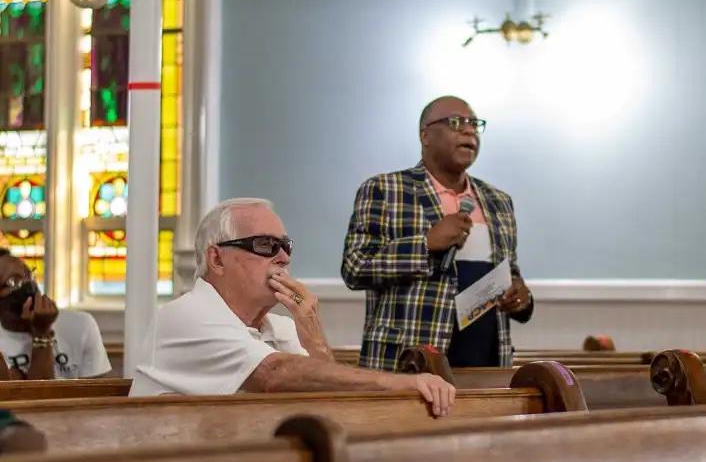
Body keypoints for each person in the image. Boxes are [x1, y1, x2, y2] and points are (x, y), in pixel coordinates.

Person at [129, 198, 455, 417]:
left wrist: (312, 332)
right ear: (216, 259)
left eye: (285, 245)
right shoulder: (186, 316)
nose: (283, 257)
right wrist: (405, 383)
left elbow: (333, 404)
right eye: (265, 245)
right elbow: (273, 375)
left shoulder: (282, 328)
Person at [341, 95, 533, 370]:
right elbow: (355, 267)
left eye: (474, 124)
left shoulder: (498, 201)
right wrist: (425, 244)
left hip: (486, 367)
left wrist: (521, 297)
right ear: (425, 135)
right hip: (409, 365)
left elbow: (510, 272)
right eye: (456, 122)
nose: (468, 130)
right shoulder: (386, 190)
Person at [0, 249, 111, 379]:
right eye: (14, 281)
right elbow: (37, 396)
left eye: (29, 274)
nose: (28, 283)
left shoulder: (81, 324)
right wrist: (42, 332)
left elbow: (100, 393)